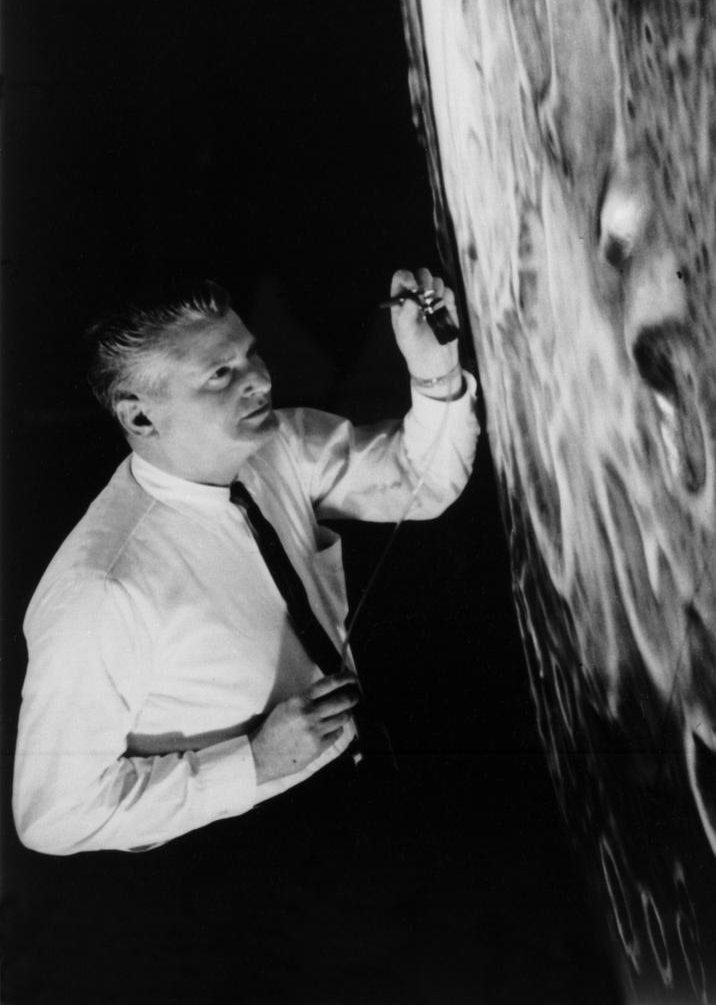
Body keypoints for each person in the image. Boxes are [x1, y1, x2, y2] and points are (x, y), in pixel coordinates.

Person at [7, 269, 480, 1005]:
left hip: (353, 798)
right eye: (220, 374)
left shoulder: (279, 445)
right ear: (139, 417)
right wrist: (251, 762)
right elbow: (52, 816)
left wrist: (432, 364)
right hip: (235, 869)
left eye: (249, 354)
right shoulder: (101, 592)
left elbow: (422, 480)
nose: (257, 378)